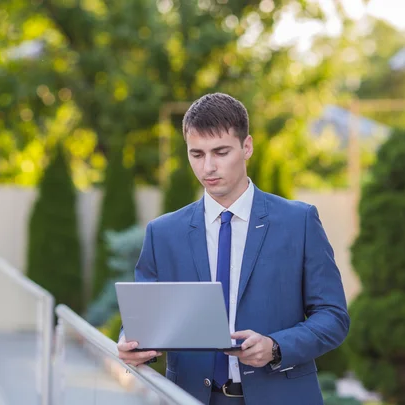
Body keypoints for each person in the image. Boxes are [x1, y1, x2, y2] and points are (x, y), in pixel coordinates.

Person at [117, 92, 350, 405]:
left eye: (221, 152)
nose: (208, 167)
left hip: (281, 396)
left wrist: (276, 345)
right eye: (196, 154)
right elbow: (144, 318)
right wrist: (128, 342)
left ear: (247, 147)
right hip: (189, 397)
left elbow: (333, 316)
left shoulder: (299, 221)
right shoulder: (163, 233)